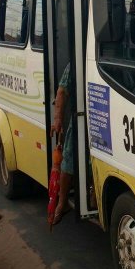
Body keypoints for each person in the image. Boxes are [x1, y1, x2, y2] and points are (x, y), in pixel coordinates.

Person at [50, 63, 73, 224]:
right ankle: (62, 202)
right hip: (81, 118)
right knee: (68, 160)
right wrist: (57, 119)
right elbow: (61, 91)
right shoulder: (74, 65)